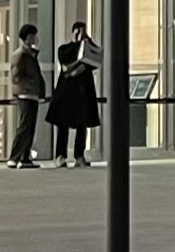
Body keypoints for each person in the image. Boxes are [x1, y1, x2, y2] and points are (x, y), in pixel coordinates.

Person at [49, 21, 105, 166]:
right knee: (63, 125)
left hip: (83, 92)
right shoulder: (64, 49)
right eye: (78, 31)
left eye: (83, 31)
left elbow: (95, 59)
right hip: (67, 91)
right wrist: (77, 45)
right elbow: (66, 64)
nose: (81, 34)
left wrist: (87, 43)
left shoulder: (88, 49)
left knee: (82, 125)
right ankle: (60, 155)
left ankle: (79, 155)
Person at [8, 24, 48, 167]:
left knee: (30, 127)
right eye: (32, 36)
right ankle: (14, 157)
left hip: (32, 95)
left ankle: (25, 157)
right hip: (25, 95)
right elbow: (16, 76)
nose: (35, 38)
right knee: (25, 126)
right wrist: (29, 87)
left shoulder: (31, 54)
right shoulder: (21, 54)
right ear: (27, 37)